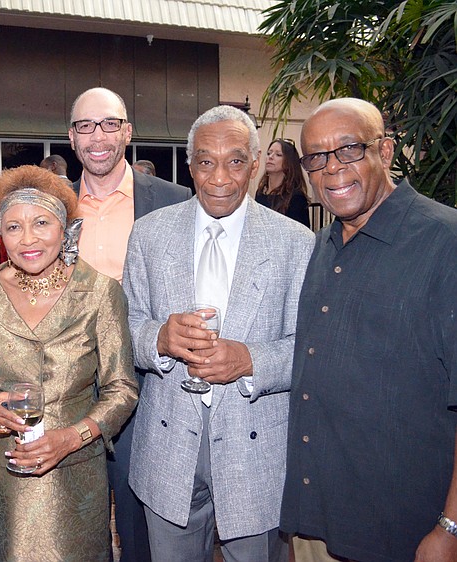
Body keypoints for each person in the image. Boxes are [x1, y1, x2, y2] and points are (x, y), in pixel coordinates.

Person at [123, 105, 314, 561]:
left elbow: (310, 350)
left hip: (256, 447)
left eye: (234, 161)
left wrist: (250, 360)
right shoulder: (148, 234)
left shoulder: (295, 243)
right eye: (206, 161)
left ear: (254, 165)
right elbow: (123, 331)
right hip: (168, 446)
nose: (220, 178)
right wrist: (160, 340)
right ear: (190, 167)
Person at [280, 98, 457, 562]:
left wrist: (451, 528)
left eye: (349, 150)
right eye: (316, 157)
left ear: (386, 151)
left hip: (405, 532)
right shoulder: (323, 245)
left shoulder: (446, 244)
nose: (332, 168)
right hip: (316, 519)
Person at [0, 164, 138, 561]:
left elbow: (122, 389)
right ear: (0, 234)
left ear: (66, 228)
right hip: (2, 479)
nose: (28, 239)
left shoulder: (99, 292)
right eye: (14, 227)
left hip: (76, 477)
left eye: (41, 223)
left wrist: (73, 437)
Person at [68, 86, 191, 562]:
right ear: (72, 137)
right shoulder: (51, 206)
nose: (97, 136)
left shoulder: (175, 201)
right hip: (70, 382)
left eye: (109, 124)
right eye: (85, 126)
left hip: (150, 382)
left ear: (128, 132)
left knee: (142, 518)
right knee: (77, 515)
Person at [255, 138, 311, 227]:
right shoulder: (260, 192)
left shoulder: (296, 197)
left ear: (289, 162)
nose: (271, 157)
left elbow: (302, 234)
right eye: (269, 153)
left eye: (278, 154)